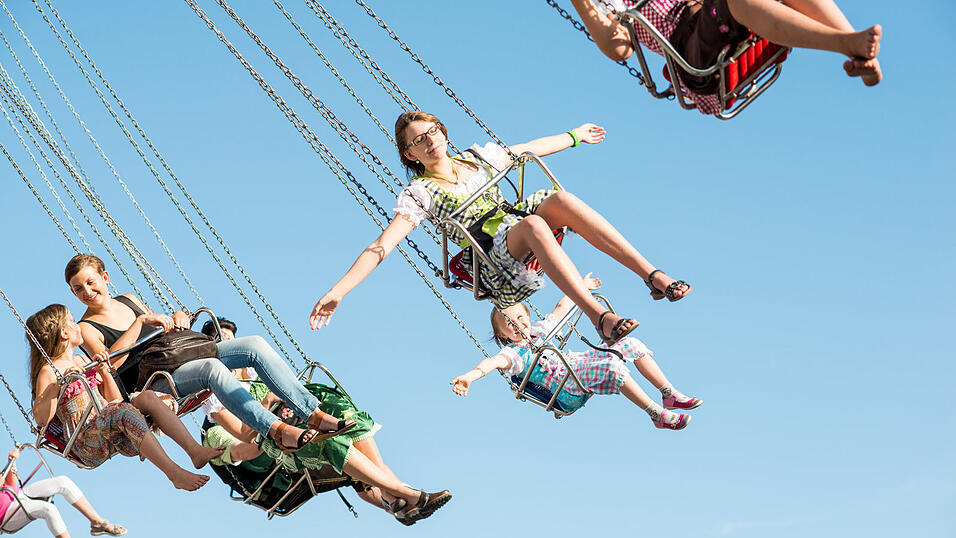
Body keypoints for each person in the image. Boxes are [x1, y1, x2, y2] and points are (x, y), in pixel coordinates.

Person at [311, 111, 691, 346]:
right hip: (491, 257)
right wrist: (338, 290)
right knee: (533, 225)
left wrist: (574, 136)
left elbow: (529, 148)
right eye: (418, 140)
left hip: (517, 224)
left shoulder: (478, 157)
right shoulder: (419, 193)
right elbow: (381, 245)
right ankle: (599, 318)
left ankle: (652, 275)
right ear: (410, 154)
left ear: (443, 132)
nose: (430, 141)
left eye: (433, 131)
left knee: (562, 201)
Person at [64, 254, 355, 456]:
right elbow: (110, 364)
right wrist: (140, 322)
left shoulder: (128, 299)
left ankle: (312, 414)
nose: (87, 291)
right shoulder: (86, 327)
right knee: (212, 369)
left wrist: (176, 317)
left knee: (254, 344)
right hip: (154, 381)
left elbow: (163, 330)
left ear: (105, 277)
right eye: (78, 289)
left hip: (179, 354)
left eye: (91, 282)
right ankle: (276, 431)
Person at [450, 273, 701, 429]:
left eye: (519, 317)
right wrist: (468, 377)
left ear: (527, 316)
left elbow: (562, 307)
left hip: (578, 365)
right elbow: (491, 363)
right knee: (612, 367)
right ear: (503, 335)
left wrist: (581, 286)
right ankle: (656, 413)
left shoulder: (542, 330)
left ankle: (668, 393)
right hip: (565, 387)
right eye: (508, 324)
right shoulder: (514, 354)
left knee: (631, 344)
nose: (516, 324)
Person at [202, 380, 452, 526]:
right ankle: (406, 495)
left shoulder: (252, 384)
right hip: (279, 470)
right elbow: (248, 447)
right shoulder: (215, 426)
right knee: (330, 444)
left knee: (345, 422)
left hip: (296, 434)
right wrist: (267, 409)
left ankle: (396, 501)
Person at [570, 0, 882, 114]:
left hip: (724, 18)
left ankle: (856, 48)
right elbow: (619, 48)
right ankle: (844, 42)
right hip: (691, 51)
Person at [26, 304, 213, 490]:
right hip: (87, 441)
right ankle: (174, 473)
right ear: (64, 332)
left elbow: (114, 400)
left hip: (112, 427)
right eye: (73, 321)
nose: (78, 326)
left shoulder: (82, 361)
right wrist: (59, 385)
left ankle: (194, 451)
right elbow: (41, 418)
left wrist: (104, 372)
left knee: (147, 397)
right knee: (123, 412)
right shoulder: (49, 371)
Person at [0, 447, 125, 537]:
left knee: (63, 482)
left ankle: (97, 523)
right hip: (6, 516)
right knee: (48, 509)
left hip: (17, 494)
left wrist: (11, 462)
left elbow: (11, 484)